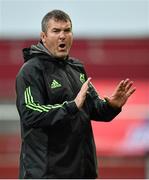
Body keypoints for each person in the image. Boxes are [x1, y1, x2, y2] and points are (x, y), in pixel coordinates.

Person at [16, 9, 136, 179]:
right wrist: (71, 106)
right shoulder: (30, 71)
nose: (62, 36)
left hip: (82, 172)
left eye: (67, 30)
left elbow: (94, 109)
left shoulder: (77, 68)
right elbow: (31, 113)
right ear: (43, 36)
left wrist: (111, 106)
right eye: (56, 31)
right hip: (47, 174)